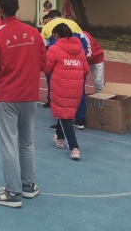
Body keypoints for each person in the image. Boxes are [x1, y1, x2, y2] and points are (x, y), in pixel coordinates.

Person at [0, 0, 46, 208]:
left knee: (9, 142)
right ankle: (28, 185)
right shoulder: (34, 34)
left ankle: (12, 191)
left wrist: (3, 80)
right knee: (27, 142)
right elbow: (43, 62)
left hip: (7, 96)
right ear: (18, 8)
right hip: (29, 95)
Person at [44, 23, 89, 161]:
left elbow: (47, 68)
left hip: (60, 86)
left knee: (65, 116)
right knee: (64, 112)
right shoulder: (80, 50)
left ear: (56, 35)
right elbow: (86, 70)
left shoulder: (54, 49)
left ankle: (74, 147)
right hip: (76, 87)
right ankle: (59, 137)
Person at [40, 13, 89, 128]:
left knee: (59, 94)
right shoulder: (74, 24)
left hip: (59, 67)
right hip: (78, 67)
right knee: (79, 93)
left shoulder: (47, 28)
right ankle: (80, 120)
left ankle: (62, 123)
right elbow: (85, 44)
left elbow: (43, 49)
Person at [80, 29, 105, 93]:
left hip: (96, 60)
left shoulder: (84, 35)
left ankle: (100, 97)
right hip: (83, 61)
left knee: (98, 83)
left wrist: (79, 60)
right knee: (78, 81)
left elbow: (90, 53)